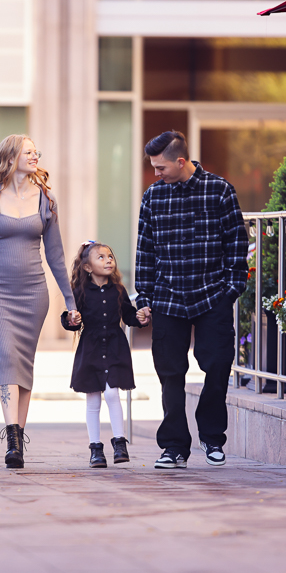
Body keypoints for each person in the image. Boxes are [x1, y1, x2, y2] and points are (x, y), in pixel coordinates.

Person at [0, 134, 77, 469]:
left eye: (36, 151)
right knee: (7, 355)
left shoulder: (46, 199)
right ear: (11, 157)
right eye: (29, 152)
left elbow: (56, 254)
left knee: (24, 362)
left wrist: (70, 300)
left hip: (34, 292)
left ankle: (18, 439)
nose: (35, 156)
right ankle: (11, 434)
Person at [137, 130, 248, 469]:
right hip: (169, 298)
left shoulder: (219, 191)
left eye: (160, 168)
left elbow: (236, 244)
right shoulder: (153, 196)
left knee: (216, 365)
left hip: (212, 295)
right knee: (170, 373)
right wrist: (145, 295)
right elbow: (146, 249)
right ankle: (173, 446)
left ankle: (212, 437)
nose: (156, 174)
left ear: (181, 162)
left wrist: (231, 288)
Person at [61, 241, 148, 468]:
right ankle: (95, 449)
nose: (108, 260)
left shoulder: (118, 290)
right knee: (93, 399)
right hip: (90, 350)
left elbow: (128, 316)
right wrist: (71, 319)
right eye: (101, 257)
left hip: (115, 349)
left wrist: (138, 317)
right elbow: (70, 319)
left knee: (112, 394)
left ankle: (120, 443)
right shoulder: (79, 292)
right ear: (87, 267)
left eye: (110, 256)